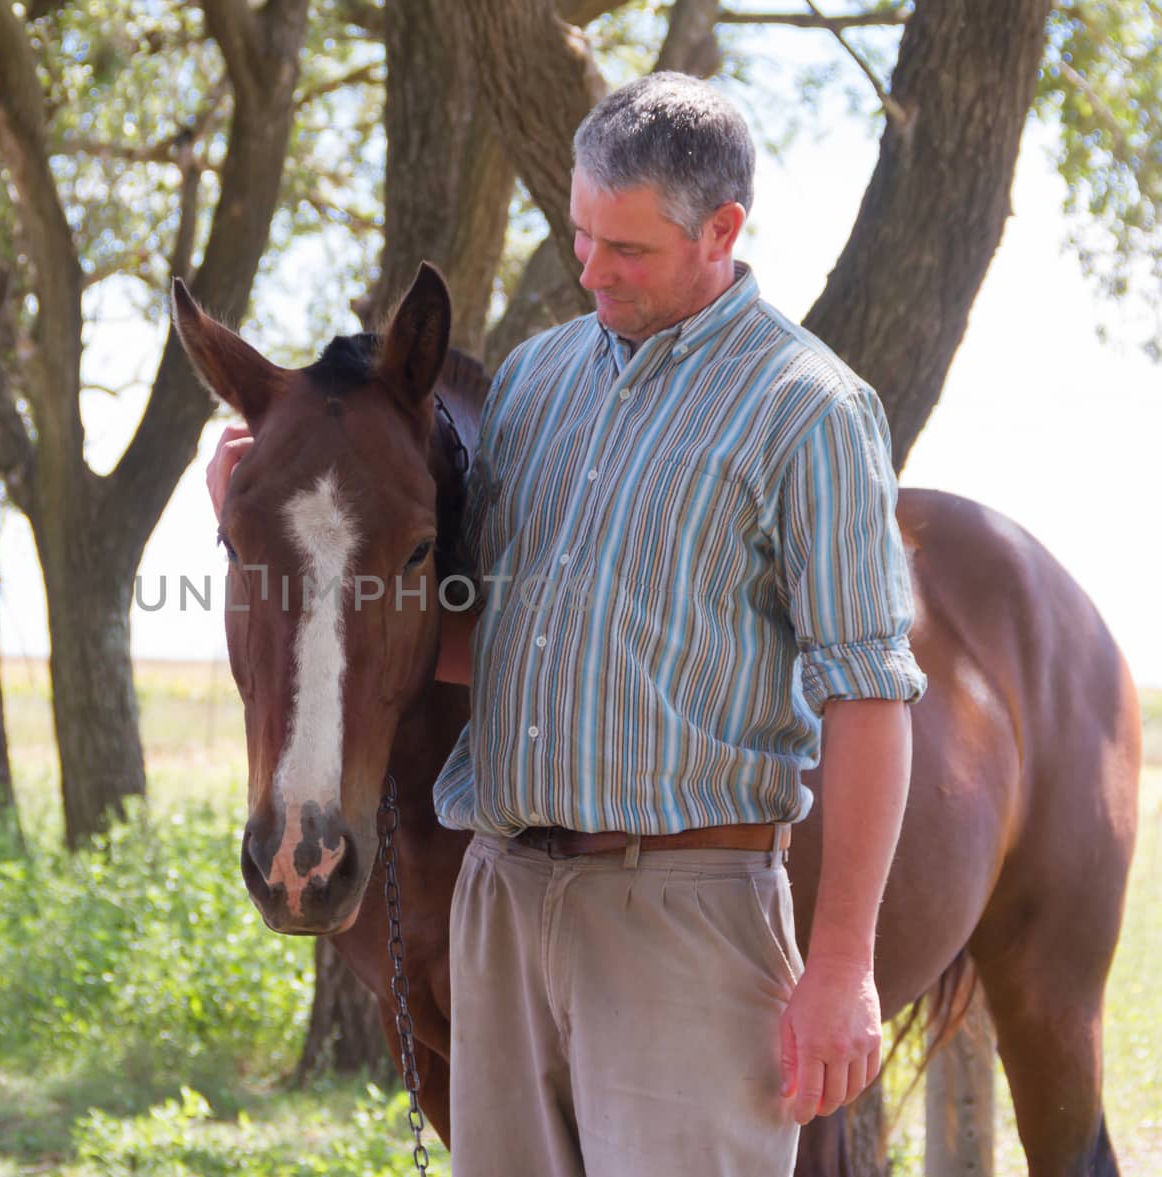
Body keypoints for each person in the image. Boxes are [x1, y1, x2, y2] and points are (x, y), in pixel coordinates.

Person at [208, 72, 925, 1177]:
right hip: (503, 903)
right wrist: (276, 545)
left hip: (683, 912)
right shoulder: (541, 381)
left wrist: (842, 964)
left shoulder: (807, 410)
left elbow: (869, 697)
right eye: (583, 235)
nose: (591, 269)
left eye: (626, 250)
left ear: (721, 231)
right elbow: (472, 641)